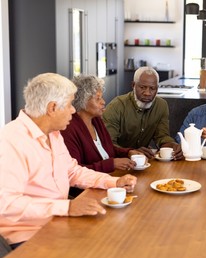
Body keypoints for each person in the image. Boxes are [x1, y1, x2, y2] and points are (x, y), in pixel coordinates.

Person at [0, 73, 137, 249]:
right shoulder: (11, 141)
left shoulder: (54, 134)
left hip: (57, 222)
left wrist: (114, 181)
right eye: (70, 104)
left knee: (118, 236)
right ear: (52, 108)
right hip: (27, 237)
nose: (73, 110)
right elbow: (7, 204)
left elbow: (73, 171)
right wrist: (67, 208)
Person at [61, 75, 144, 173]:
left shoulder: (96, 120)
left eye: (102, 97)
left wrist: (128, 152)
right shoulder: (69, 129)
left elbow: (107, 150)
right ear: (82, 101)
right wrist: (111, 164)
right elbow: (75, 172)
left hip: (107, 178)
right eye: (98, 98)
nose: (103, 102)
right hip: (88, 187)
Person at [103, 66, 183, 160]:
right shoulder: (116, 106)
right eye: (142, 87)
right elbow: (107, 144)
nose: (147, 93)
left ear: (157, 89)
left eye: (152, 88)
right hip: (118, 161)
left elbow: (162, 137)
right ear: (133, 85)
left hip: (143, 162)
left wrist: (173, 146)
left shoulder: (161, 105)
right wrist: (130, 152)